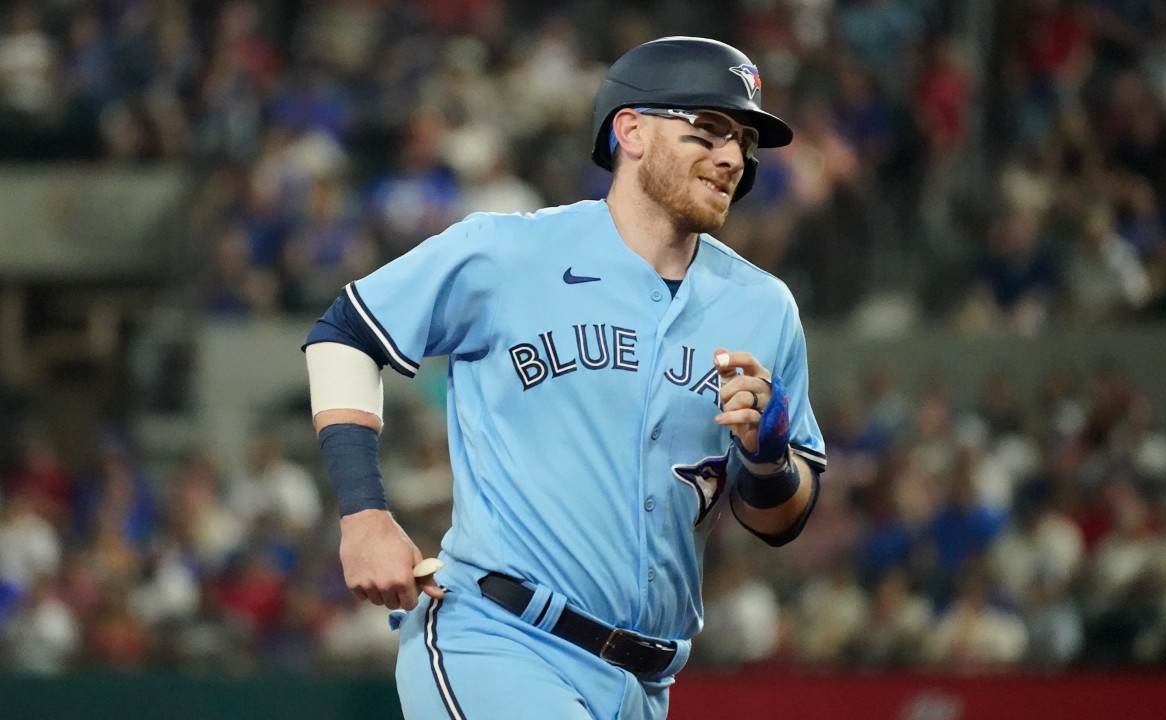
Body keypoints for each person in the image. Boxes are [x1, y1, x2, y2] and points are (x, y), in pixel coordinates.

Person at [301, 36, 825, 720]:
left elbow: (779, 519)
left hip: (644, 684)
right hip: (501, 640)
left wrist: (767, 458)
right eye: (710, 130)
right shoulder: (509, 252)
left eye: (744, 142)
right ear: (630, 130)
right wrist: (364, 514)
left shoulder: (763, 307)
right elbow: (346, 334)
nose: (732, 157)